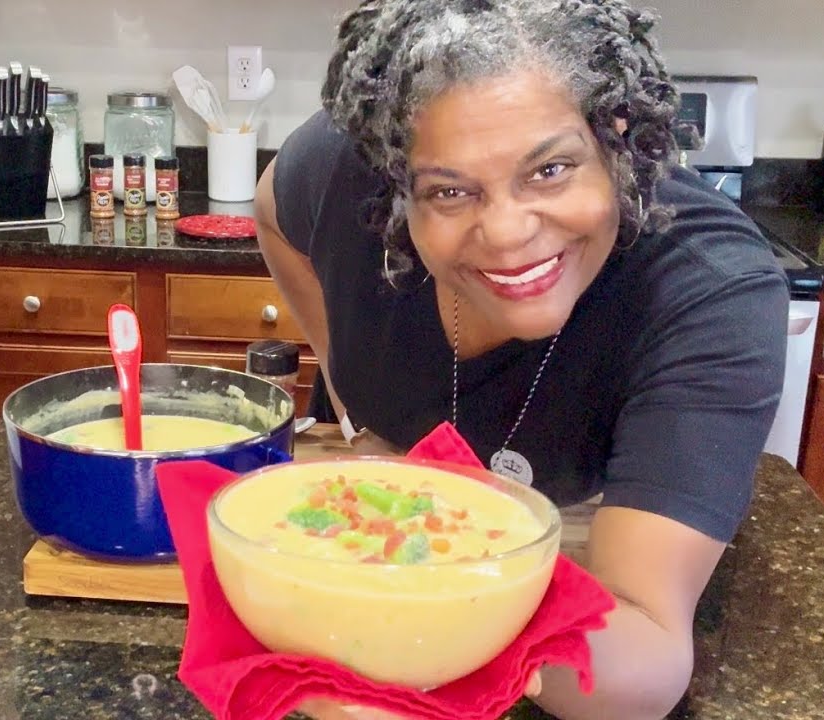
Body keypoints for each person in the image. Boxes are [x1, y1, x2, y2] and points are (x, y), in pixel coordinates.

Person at [254, 1, 789, 718]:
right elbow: (271, 211)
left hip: (589, 551)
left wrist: (408, 649)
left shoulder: (709, 291)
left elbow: (648, 653)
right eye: (448, 191)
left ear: (615, 141)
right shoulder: (352, 174)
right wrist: (347, 396)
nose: (507, 234)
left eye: (551, 170)